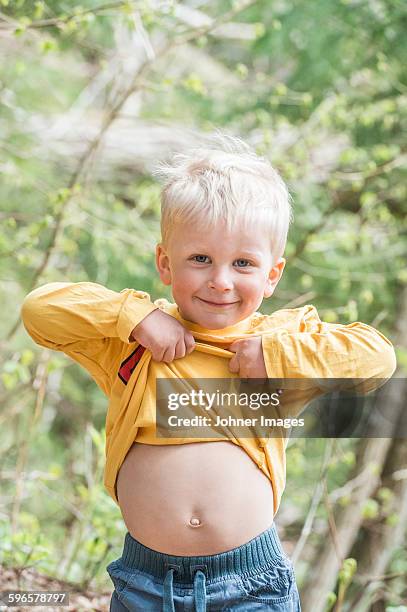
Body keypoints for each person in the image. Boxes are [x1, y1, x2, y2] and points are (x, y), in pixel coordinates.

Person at [20, 133, 396, 611]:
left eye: (243, 263)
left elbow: (379, 359)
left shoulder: (281, 344)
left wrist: (277, 357)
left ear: (272, 275)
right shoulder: (134, 344)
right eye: (200, 259)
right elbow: (40, 310)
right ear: (165, 263)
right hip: (144, 583)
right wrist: (133, 317)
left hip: (249, 586)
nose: (221, 281)